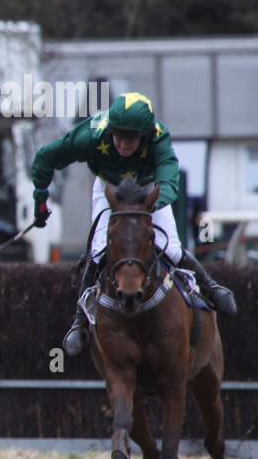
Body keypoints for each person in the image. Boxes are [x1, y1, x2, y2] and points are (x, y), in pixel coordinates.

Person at [31, 92, 237, 356]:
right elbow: (45, 157)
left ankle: (209, 286)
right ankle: (80, 321)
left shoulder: (159, 138)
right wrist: (40, 198)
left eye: (130, 139)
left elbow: (169, 179)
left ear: (145, 136)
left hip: (147, 189)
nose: (121, 144)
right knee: (98, 252)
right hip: (109, 187)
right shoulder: (91, 134)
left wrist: (147, 205)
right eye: (117, 135)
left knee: (171, 249)